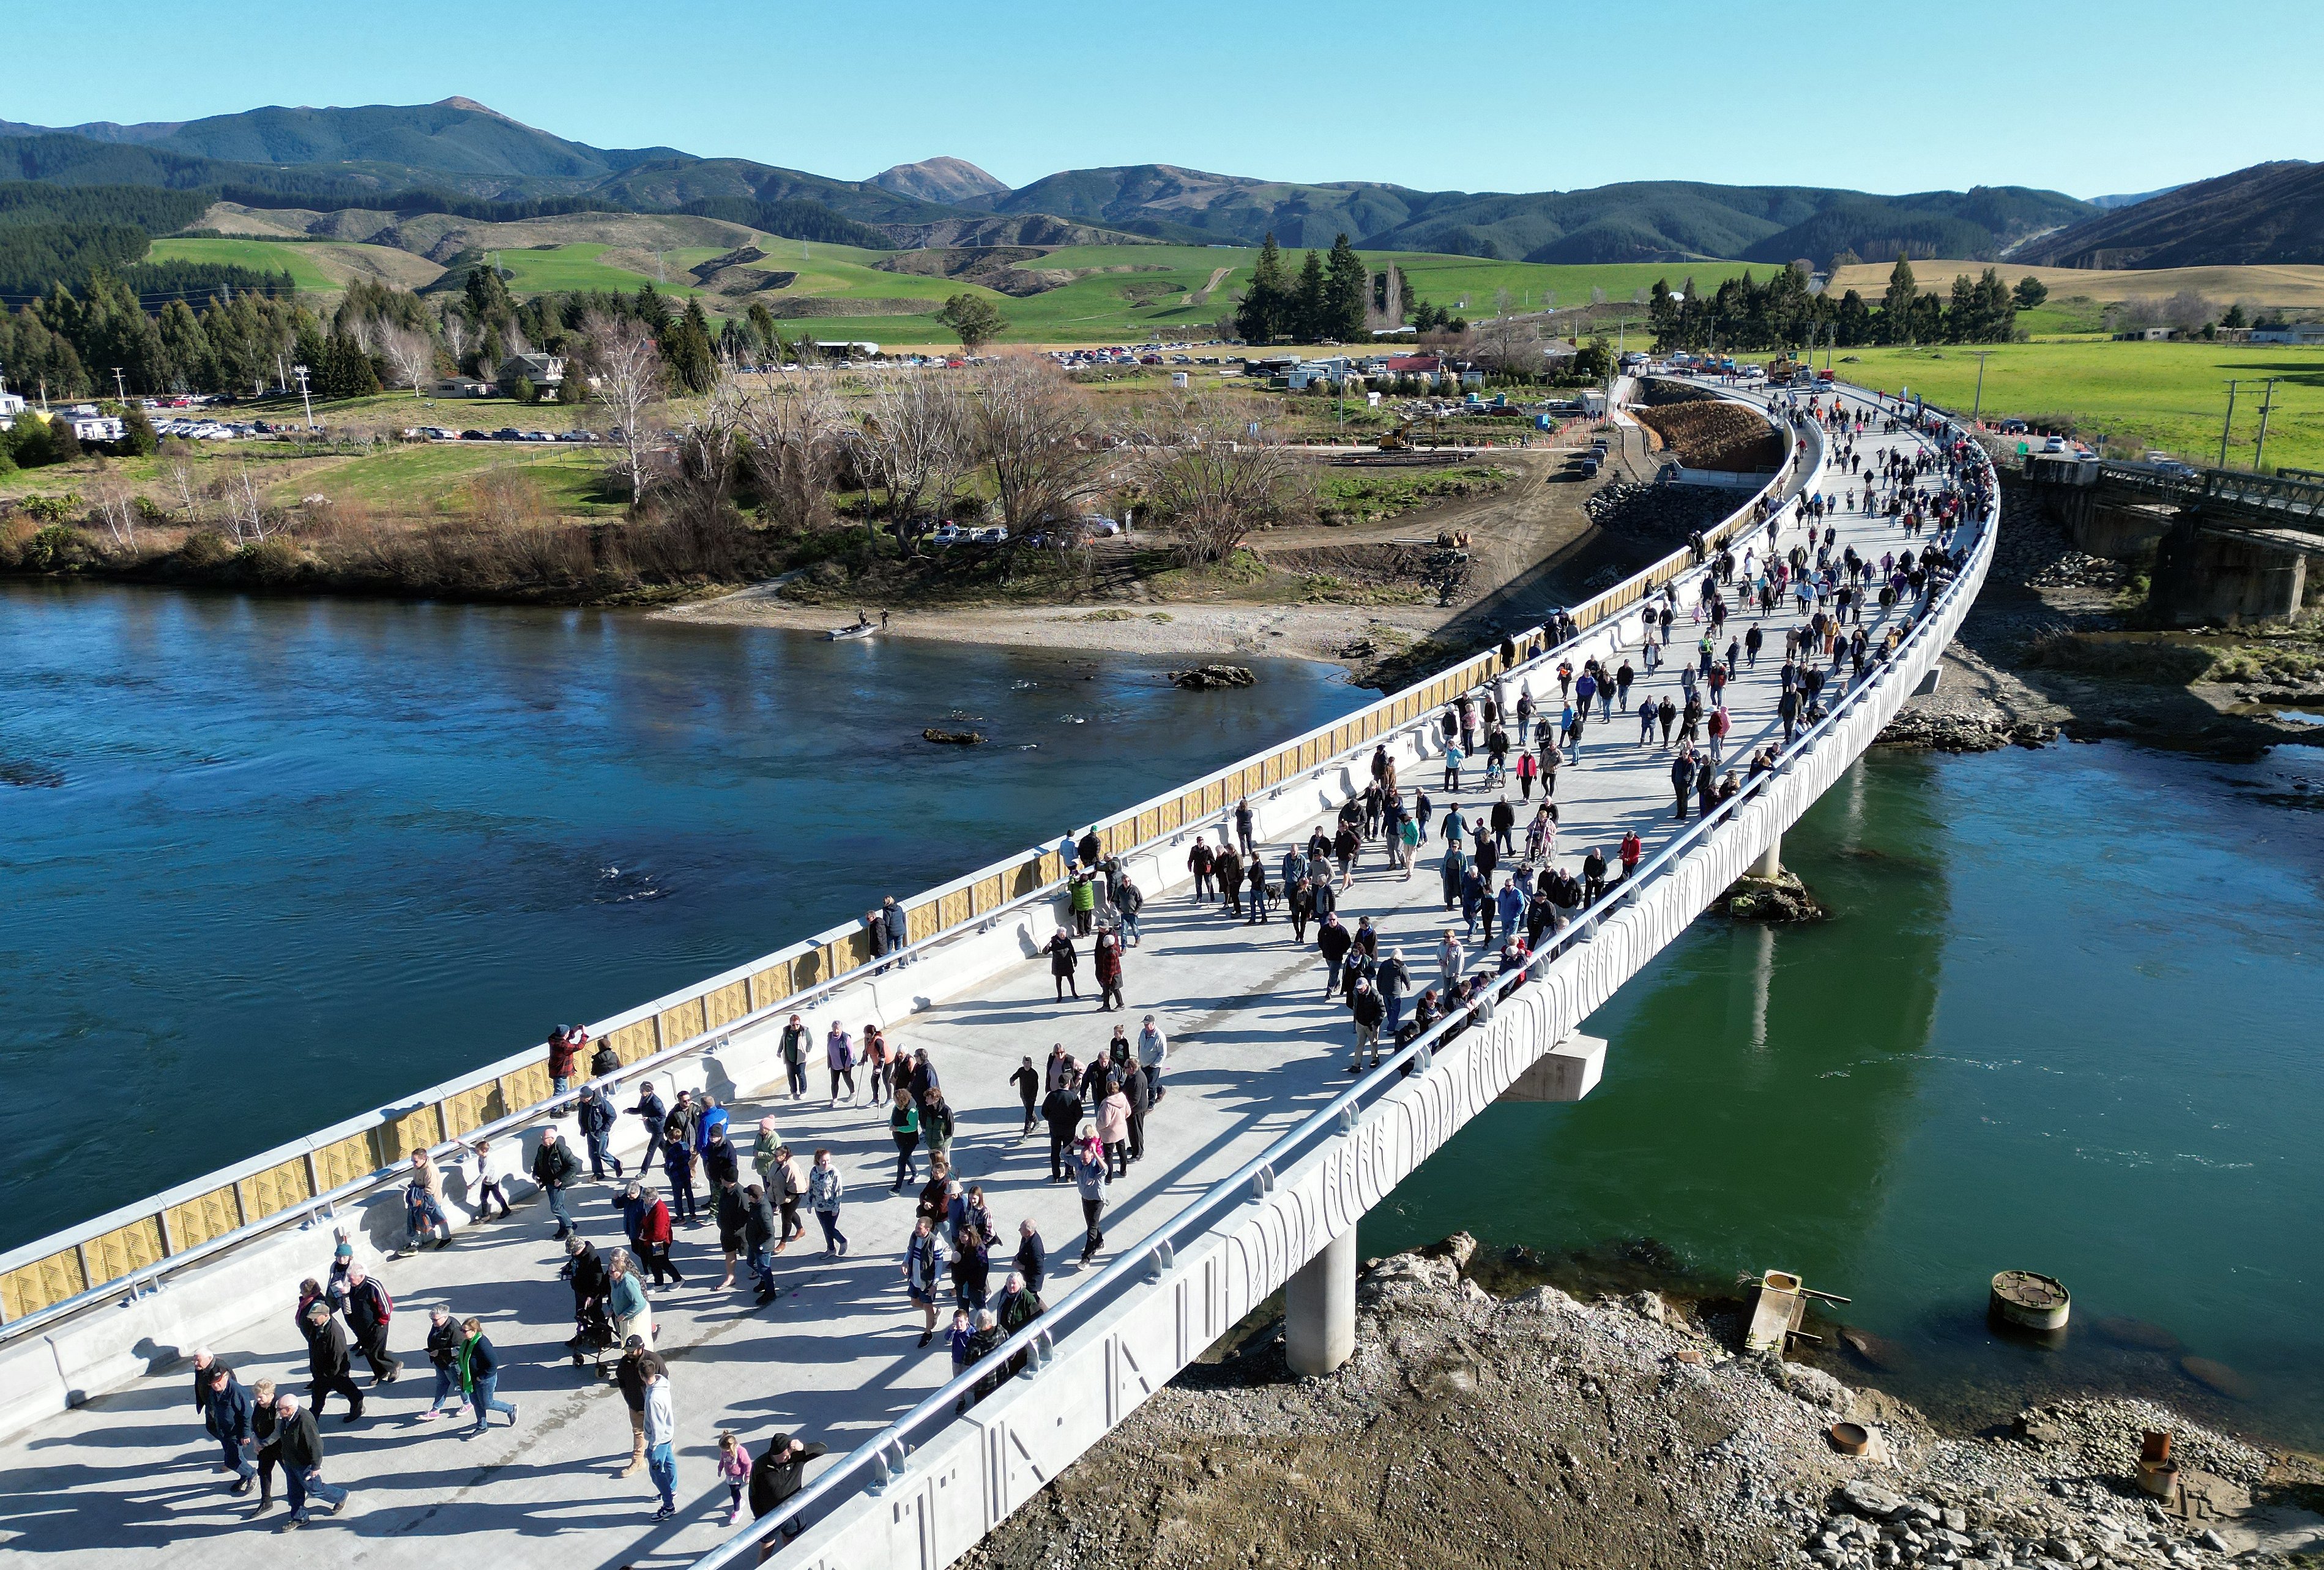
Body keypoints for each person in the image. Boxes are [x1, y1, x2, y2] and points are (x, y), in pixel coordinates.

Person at [272, 1392, 346, 1529]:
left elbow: (316, 1444)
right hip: (290, 1463)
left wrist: (316, 1466)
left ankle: (341, 1496)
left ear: (289, 1409)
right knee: (294, 1492)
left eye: (279, 1409)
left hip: (304, 1465)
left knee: (315, 1489)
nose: (277, 1412)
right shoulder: (285, 1419)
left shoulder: (305, 1420)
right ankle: (300, 1518)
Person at [749, 1432, 830, 1552]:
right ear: (775, 1454)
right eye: (785, 1456)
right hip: (770, 1515)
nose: (789, 1458)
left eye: (790, 1454)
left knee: (790, 1543)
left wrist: (803, 1447)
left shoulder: (796, 1457)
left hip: (792, 1512)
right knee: (766, 1550)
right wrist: (759, 1518)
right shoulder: (760, 1465)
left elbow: (823, 1449)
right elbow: (753, 1493)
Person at [301, 1299, 364, 1422]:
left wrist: (327, 1376)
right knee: (317, 1397)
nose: (313, 1320)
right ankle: (312, 1420)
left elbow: (337, 1357)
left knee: (346, 1389)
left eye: (315, 1317)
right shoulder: (318, 1326)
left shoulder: (334, 1333)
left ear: (326, 1315)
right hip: (322, 1372)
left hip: (335, 1372)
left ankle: (358, 1403)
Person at [203, 1361, 259, 1494]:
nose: (216, 1385)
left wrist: (246, 1435)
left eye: (218, 1381)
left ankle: (251, 1474)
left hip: (236, 1433)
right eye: (212, 1383)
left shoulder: (237, 1391)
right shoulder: (214, 1391)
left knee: (231, 1461)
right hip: (223, 1432)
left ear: (226, 1377)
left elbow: (247, 1415)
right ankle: (244, 1475)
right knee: (235, 1457)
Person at [341, 1263, 398, 1385]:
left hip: (377, 1325)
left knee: (376, 1351)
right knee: (368, 1351)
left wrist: (381, 1322)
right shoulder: (354, 1286)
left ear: (361, 1276)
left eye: (351, 1279)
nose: (350, 1282)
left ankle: (394, 1366)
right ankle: (380, 1373)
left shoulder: (373, 1286)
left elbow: (387, 1306)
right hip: (362, 1327)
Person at [460, 1317, 518, 1432]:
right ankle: (482, 1427)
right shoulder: (468, 1342)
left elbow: (494, 1364)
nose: (462, 1333)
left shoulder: (482, 1344)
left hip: (485, 1380)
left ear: (474, 1331)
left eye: (465, 1331)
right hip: (472, 1379)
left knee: (487, 1403)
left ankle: (511, 1409)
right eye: (461, 1330)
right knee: (476, 1402)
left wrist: (481, 1377)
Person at [614, 1339, 657, 1478]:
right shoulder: (625, 1362)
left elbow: (665, 1379)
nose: (629, 1353)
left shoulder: (654, 1359)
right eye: (627, 1350)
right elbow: (620, 1379)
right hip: (634, 1405)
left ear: (641, 1348)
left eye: (632, 1350)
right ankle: (638, 1461)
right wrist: (627, 1397)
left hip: (652, 1406)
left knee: (657, 1431)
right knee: (638, 1432)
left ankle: (666, 1445)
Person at [903, 1216, 948, 1345]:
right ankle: (935, 1312)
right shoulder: (914, 1236)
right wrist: (905, 1262)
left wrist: (935, 1284)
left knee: (927, 1306)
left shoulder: (935, 1242)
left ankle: (928, 1333)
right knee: (915, 1303)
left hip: (927, 1281)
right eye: (916, 1227)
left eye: (919, 1228)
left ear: (927, 1230)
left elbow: (939, 1265)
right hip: (914, 1278)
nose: (916, 1229)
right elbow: (910, 1250)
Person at [532, 1126, 581, 1240]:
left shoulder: (562, 1150)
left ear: (552, 1138)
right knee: (558, 1206)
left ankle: (569, 1226)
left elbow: (573, 1165)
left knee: (556, 1208)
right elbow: (537, 1163)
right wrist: (535, 1174)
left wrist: (560, 1179)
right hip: (548, 1182)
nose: (542, 1140)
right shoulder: (542, 1149)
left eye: (543, 1138)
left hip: (558, 1184)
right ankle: (563, 1227)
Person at [643, 1361, 678, 1521]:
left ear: (641, 1375)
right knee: (670, 1463)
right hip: (668, 1435)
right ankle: (671, 1489)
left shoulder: (653, 1398)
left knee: (657, 1473)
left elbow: (657, 1426)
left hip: (660, 1440)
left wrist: (652, 1446)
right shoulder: (663, 1385)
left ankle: (668, 1505)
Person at [401, 1151, 452, 1254]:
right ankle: (415, 1243)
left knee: (439, 1218)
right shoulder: (418, 1167)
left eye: (415, 1161)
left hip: (431, 1200)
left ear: (424, 1159)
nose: (414, 1164)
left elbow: (430, 1189)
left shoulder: (430, 1170)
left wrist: (417, 1194)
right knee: (414, 1220)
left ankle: (446, 1238)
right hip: (419, 1200)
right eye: (412, 1161)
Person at [1072, 1130, 1109, 1263]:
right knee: (1092, 1224)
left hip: (1097, 1201)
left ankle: (1086, 1258)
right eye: (1082, 1158)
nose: (1082, 1161)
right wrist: (1073, 1144)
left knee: (1091, 1229)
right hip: (1085, 1199)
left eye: (1085, 1158)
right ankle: (1100, 1243)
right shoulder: (1081, 1165)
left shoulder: (1095, 1164)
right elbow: (1063, 1155)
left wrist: (1095, 1154)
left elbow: (1105, 1169)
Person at [576, 1078, 624, 1182]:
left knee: (601, 1152)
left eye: (582, 1098)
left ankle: (616, 1164)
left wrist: (604, 1130)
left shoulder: (601, 1103)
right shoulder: (583, 1104)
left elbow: (612, 1115)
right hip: (590, 1132)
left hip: (600, 1132)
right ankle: (598, 1173)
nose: (580, 1099)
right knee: (592, 1154)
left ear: (588, 1098)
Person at [420, 1306, 464, 1417]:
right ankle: (436, 1409)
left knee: (459, 1385)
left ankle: (468, 1403)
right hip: (440, 1362)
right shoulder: (437, 1325)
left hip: (452, 1363)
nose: (433, 1322)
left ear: (445, 1317)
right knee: (441, 1384)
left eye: (435, 1320)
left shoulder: (455, 1329)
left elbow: (459, 1350)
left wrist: (439, 1353)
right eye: (432, 1319)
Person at [1041, 1075, 1083, 1183]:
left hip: (1055, 1129)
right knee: (1069, 1150)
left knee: (1055, 1151)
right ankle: (1069, 1175)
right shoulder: (1073, 1097)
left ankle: (1056, 1175)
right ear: (1068, 1084)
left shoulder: (1051, 1096)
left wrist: (1050, 1120)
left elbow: (1044, 1112)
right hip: (1069, 1129)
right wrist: (1074, 1123)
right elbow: (1079, 1114)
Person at [609, 1248, 652, 1350]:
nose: (609, 1273)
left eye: (612, 1272)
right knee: (626, 1338)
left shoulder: (628, 1281)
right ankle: (630, 1357)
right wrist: (612, 1308)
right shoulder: (614, 1280)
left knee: (635, 1340)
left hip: (636, 1314)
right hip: (625, 1315)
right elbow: (614, 1297)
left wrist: (624, 1314)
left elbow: (639, 1303)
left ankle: (641, 1358)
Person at [808, 1147, 847, 1257]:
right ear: (818, 1161)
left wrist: (836, 1207)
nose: (826, 1163)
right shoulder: (814, 1171)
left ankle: (843, 1241)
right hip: (819, 1206)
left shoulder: (834, 1172)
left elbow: (839, 1191)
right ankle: (831, 1249)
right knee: (825, 1229)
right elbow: (811, 1187)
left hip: (831, 1207)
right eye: (823, 1161)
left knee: (829, 1229)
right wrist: (809, 1203)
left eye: (828, 1160)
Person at [717, 1431, 754, 1527]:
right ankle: (740, 1501)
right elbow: (722, 1461)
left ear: (730, 1447)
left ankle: (737, 1511)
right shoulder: (724, 1452)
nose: (723, 1452)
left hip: (738, 1476)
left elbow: (748, 1463)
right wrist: (720, 1469)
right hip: (729, 1476)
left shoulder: (740, 1451)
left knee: (734, 1493)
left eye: (725, 1450)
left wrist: (747, 1475)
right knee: (733, 1491)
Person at [470, 1137, 513, 1220]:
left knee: (497, 1196)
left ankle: (506, 1209)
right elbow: (471, 1148)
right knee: (483, 1197)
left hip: (492, 1182)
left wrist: (472, 1185)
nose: (476, 1152)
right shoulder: (481, 1154)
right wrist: (460, 1142)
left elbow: (482, 1175)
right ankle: (485, 1214)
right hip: (486, 1182)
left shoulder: (487, 1161)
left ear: (484, 1151)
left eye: (478, 1151)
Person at [888, 1085, 922, 1191]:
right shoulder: (897, 1107)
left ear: (902, 1101)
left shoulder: (912, 1111)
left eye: (896, 1099)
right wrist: (891, 1125)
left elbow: (913, 1127)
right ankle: (916, 1174)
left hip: (909, 1141)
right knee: (907, 1157)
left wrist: (897, 1129)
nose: (894, 1101)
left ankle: (898, 1187)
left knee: (901, 1162)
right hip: (899, 1139)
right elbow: (893, 1116)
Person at [778, 1016, 811, 1100]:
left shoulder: (804, 1030)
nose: (795, 1026)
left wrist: (807, 1050)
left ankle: (803, 1091)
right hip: (789, 1058)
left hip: (800, 1058)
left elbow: (810, 1041)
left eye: (797, 1024)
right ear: (790, 1024)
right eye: (793, 1025)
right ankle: (793, 1091)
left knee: (801, 1074)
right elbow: (782, 1041)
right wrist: (779, 1051)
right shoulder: (787, 1031)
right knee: (791, 1075)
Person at [1136, 1015, 1168, 1101]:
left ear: (1153, 1023)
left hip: (1153, 1065)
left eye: (1147, 1024)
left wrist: (1154, 1064)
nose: (1146, 1026)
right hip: (1144, 1063)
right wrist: (1140, 1057)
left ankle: (1151, 1104)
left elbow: (1163, 1053)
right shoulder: (1143, 1032)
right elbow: (1139, 1044)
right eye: (1145, 1024)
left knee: (1151, 1085)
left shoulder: (1159, 1036)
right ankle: (1161, 1090)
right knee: (1149, 1081)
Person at [1093, 925, 1125, 1011]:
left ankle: (1121, 1004)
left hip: (1113, 975)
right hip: (1109, 974)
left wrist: (1109, 979)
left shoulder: (1111, 953)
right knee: (1106, 989)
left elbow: (1111, 968)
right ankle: (1106, 1005)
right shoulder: (1110, 950)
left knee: (1115, 989)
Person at [825, 1022, 857, 1105]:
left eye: (838, 1028)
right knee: (834, 1082)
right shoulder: (830, 1036)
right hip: (834, 1065)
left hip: (844, 1065)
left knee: (848, 1079)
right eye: (834, 1028)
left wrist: (847, 1065)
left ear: (841, 1029)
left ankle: (853, 1092)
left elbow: (851, 1053)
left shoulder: (846, 1038)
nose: (836, 1030)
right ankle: (835, 1100)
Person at [1015, 1217, 1046, 1296]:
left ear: (1029, 1232)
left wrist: (1022, 1267)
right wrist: (1017, 1258)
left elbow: (1038, 1269)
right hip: (1026, 1277)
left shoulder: (1036, 1249)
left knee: (1032, 1300)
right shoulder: (1026, 1237)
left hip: (1032, 1282)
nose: (1019, 1230)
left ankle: (1046, 1309)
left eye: (1021, 1229)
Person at [1010, 1056, 1040, 1137]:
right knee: (1029, 1111)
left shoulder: (1034, 1074)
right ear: (1023, 1063)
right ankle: (1037, 1122)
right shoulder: (1021, 1071)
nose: (1026, 1065)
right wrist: (1012, 1081)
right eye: (1025, 1063)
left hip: (1031, 1098)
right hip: (1023, 1096)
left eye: (1028, 1063)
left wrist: (1033, 1098)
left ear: (1031, 1064)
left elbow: (1036, 1087)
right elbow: (1014, 1076)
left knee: (1028, 1114)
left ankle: (1026, 1134)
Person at [1046, 928, 1079, 999]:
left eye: (1064, 935)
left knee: (1071, 979)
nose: (1064, 937)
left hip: (1067, 964)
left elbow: (1072, 951)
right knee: (1058, 981)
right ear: (1058, 935)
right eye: (1062, 935)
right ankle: (1060, 996)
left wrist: (1075, 961)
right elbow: (1045, 952)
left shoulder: (1068, 941)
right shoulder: (1054, 942)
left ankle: (1074, 993)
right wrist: (1048, 946)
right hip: (1058, 965)